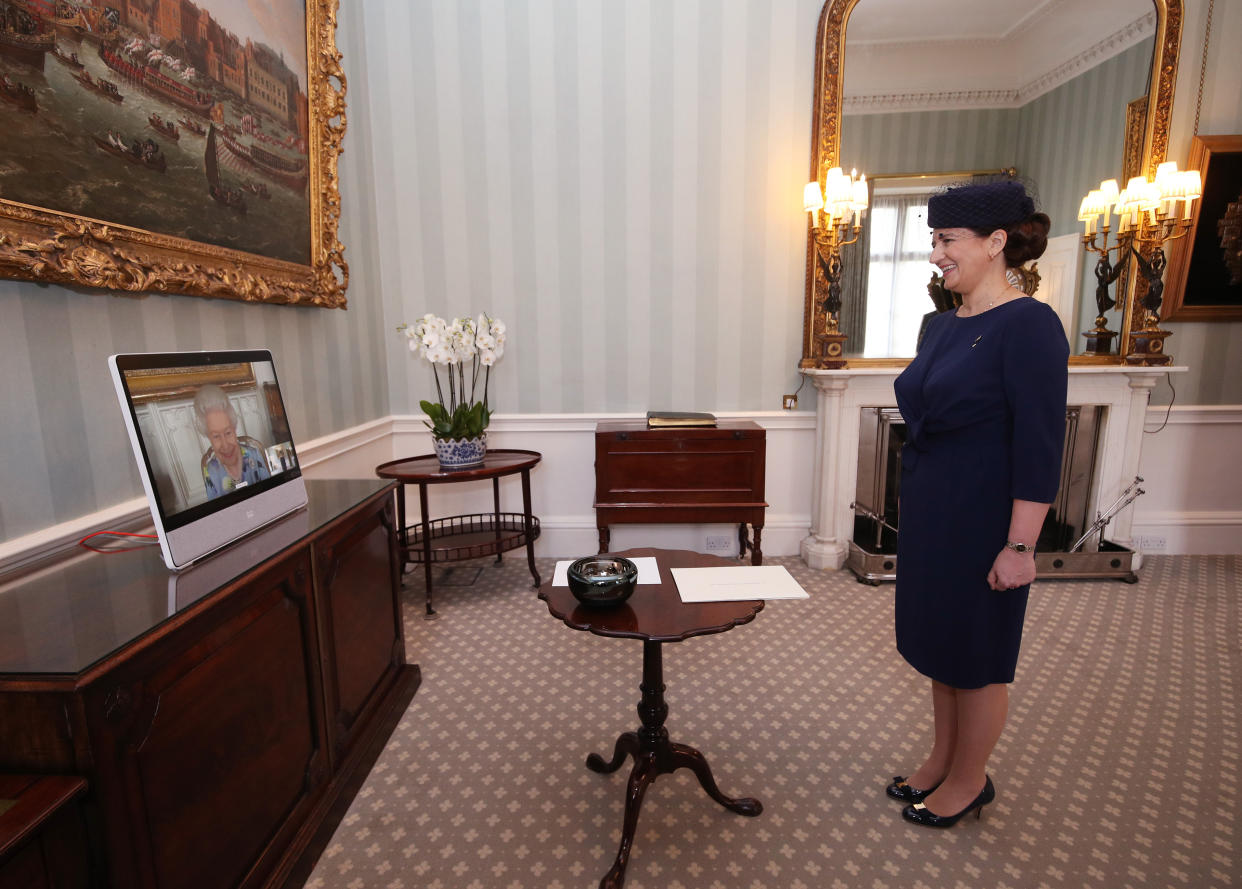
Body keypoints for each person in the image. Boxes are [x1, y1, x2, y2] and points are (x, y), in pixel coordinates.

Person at [886, 180, 1068, 828]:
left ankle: (969, 779)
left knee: (978, 654)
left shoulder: (1030, 325)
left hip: (985, 514)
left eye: (947, 240)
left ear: (996, 243)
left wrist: (1021, 546)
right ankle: (940, 758)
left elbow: (1040, 444)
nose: (937, 253)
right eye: (934, 240)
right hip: (935, 511)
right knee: (940, 646)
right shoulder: (940, 323)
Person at [193, 385, 270, 500]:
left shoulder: (254, 455)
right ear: (208, 437)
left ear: (234, 429)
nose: (225, 445)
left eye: (228, 433)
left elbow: (272, 494)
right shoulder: (210, 471)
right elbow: (217, 513)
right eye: (216, 436)